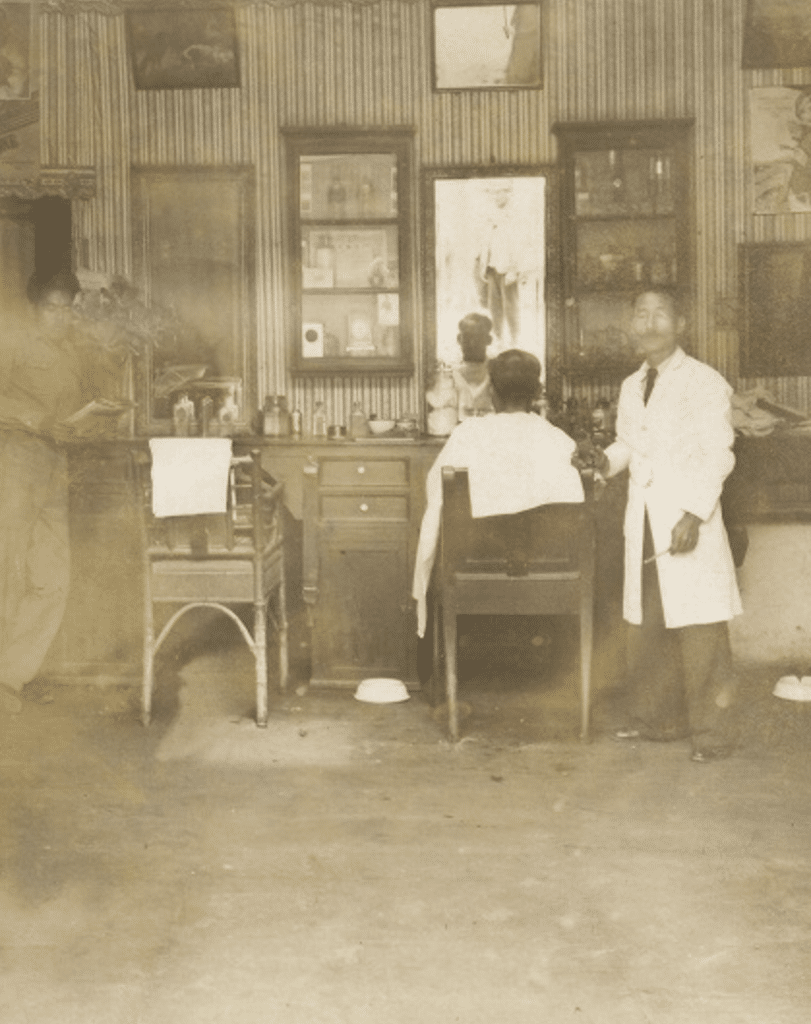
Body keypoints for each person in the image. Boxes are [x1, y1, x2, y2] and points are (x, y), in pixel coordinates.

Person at [575, 290, 742, 763]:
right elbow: (631, 445)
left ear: (682, 323)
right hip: (645, 517)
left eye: (660, 314)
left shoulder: (704, 382)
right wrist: (601, 461)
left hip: (687, 517)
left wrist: (693, 513)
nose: (649, 323)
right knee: (650, 623)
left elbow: (718, 454)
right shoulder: (633, 385)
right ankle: (659, 723)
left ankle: (713, 736)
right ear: (631, 324)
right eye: (641, 315)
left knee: (699, 627)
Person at [412, 348, 585, 638]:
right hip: (547, 567)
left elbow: (437, 496)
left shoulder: (467, 435)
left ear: (492, 390)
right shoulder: (559, 440)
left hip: (474, 565)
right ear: (536, 392)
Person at [0, 271, 88, 715]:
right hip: (14, 463)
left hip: (56, 467)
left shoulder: (70, 353)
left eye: (67, 308)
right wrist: (37, 420)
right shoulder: (11, 341)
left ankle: (12, 675)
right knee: (7, 570)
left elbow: (68, 411)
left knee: (53, 579)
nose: (60, 316)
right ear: (35, 310)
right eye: (52, 308)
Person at [451, 312, 496, 420]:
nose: (472, 343)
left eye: (479, 337)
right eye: (467, 337)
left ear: (489, 340)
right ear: (459, 339)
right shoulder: (449, 373)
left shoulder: (498, 370)